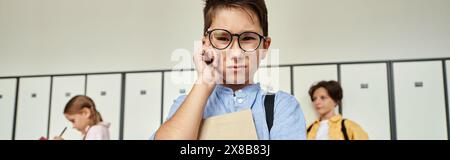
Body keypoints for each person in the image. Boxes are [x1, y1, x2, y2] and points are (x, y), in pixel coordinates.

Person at [153, 0, 306, 140]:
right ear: (206, 44)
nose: (236, 53)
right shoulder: (185, 105)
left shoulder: (282, 106)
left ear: (265, 46)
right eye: (222, 38)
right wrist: (204, 83)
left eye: (247, 38)